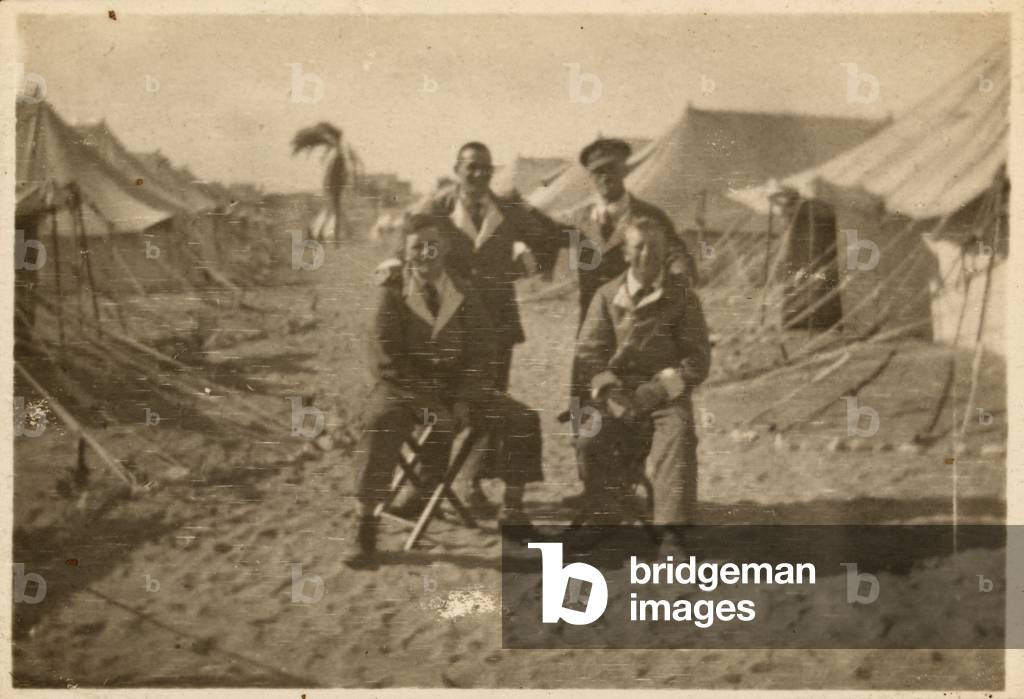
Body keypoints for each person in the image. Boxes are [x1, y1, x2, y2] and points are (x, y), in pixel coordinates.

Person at [347, 213, 543, 569]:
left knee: (521, 418)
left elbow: (485, 351)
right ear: (405, 254)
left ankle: (513, 512)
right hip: (403, 390)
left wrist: (466, 398)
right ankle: (365, 526)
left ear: (447, 247)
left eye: (432, 245)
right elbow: (385, 361)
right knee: (380, 420)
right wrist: (429, 405)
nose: (426, 253)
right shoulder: (390, 294)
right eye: (417, 247)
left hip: (455, 390)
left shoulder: (463, 291)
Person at [389, 142, 560, 512]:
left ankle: (471, 484)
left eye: (485, 168)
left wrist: (532, 265)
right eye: (471, 168)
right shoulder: (437, 207)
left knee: (487, 402)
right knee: (439, 400)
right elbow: (405, 240)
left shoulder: (508, 207)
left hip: (497, 325)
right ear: (457, 169)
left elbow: (548, 235)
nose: (479, 175)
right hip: (448, 321)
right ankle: (419, 486)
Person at [572, 217, 711, 526]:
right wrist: (609, 391)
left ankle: (672, 534)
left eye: (655, 248)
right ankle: (606, 514)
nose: (647, 254)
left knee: (678, 436)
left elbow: (697, 359)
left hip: (665, 396)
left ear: (665, 253)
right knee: (589, 435)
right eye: (639, 247)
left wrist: (659, 390)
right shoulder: (607, 295)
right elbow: (589, 353)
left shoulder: (684, 297)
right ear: (625, 252)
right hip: (617, 394)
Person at [555, 138, 699, 436]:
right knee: (586, 415)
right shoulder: (578, 221)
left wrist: (680, 278)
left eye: (611, 169)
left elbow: (676, 254)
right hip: (592, 331)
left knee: (638, 410)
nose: (605, 177)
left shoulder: (650, 217)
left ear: (624, 170)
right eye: (597, 172)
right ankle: (592, 481)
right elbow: (542, 243)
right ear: (590, 177)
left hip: (639, 331)